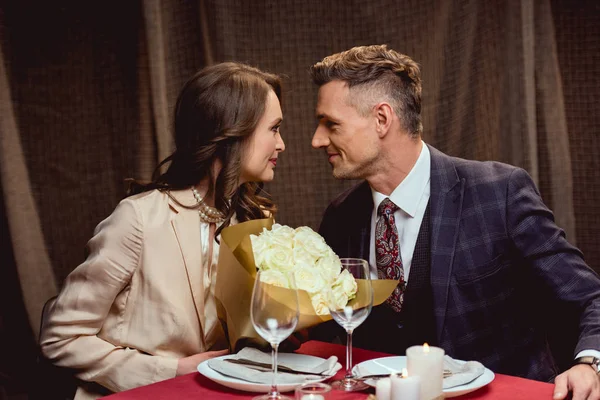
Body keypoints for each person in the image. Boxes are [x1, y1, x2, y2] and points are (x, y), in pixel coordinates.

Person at [309, 45, 600, 399]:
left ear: (382, 119)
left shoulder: (500, 192)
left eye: (331, 124)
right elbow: (325, 335)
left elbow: (589, 297)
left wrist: (589, 363)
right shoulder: (341, 216)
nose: (317, 139)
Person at [39, 61, 286, 400]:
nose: (281, 144)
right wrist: (168, 373)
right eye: (274, 129)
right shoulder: (138, 219)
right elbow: (60, 337)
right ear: (234, 130)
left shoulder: (247, 223)